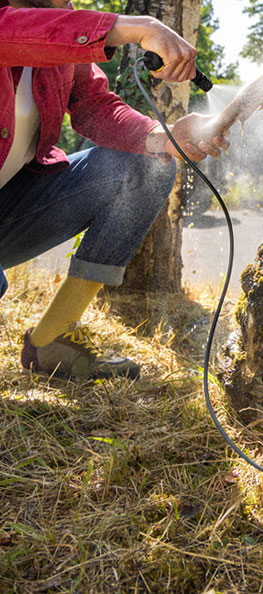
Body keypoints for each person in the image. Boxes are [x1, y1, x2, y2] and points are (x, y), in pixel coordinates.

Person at [0, 0, 227, 379]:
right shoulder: (46, 24)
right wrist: (137, 27)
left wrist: (161, 137)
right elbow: (13, 31)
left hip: (11, 206)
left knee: (143, 167)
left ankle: (53, 339)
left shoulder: (64, 19)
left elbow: (92, 104)